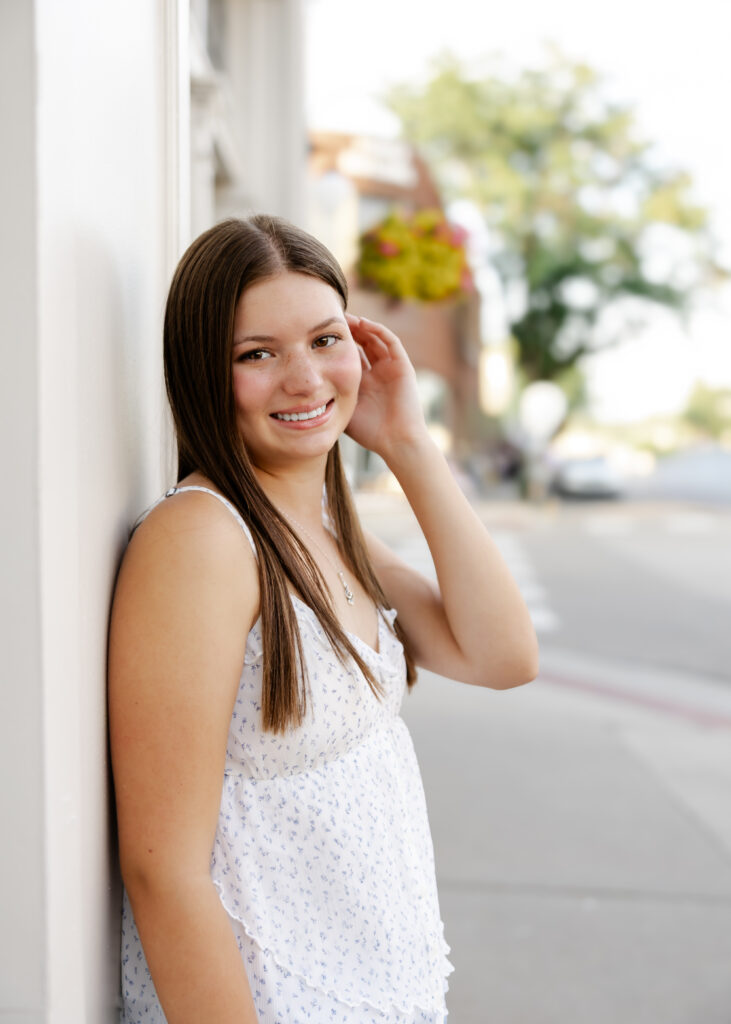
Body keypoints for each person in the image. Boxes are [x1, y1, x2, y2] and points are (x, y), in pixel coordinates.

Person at [108, 214, 538, 1024]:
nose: (303, 379)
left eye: (324, 339)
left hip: (375, 989)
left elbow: (502, 655)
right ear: (202, 372)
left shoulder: (323, 529)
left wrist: (407, 441)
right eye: (256, 354)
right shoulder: (202, 541)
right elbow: (164, 872)